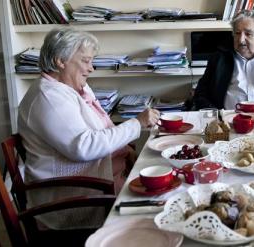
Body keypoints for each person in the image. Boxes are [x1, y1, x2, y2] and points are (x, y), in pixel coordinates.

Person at [18, 28, 160, 229]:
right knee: (159, 213)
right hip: (74, 202)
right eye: (85, 61)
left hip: (100, 184)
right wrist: (136, 123)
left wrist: (126, 151)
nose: (91, 68)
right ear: (61, 60)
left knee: (166, 185)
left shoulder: (73, 89)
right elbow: (84, 146)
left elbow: (103, 129)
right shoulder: (48, 97)